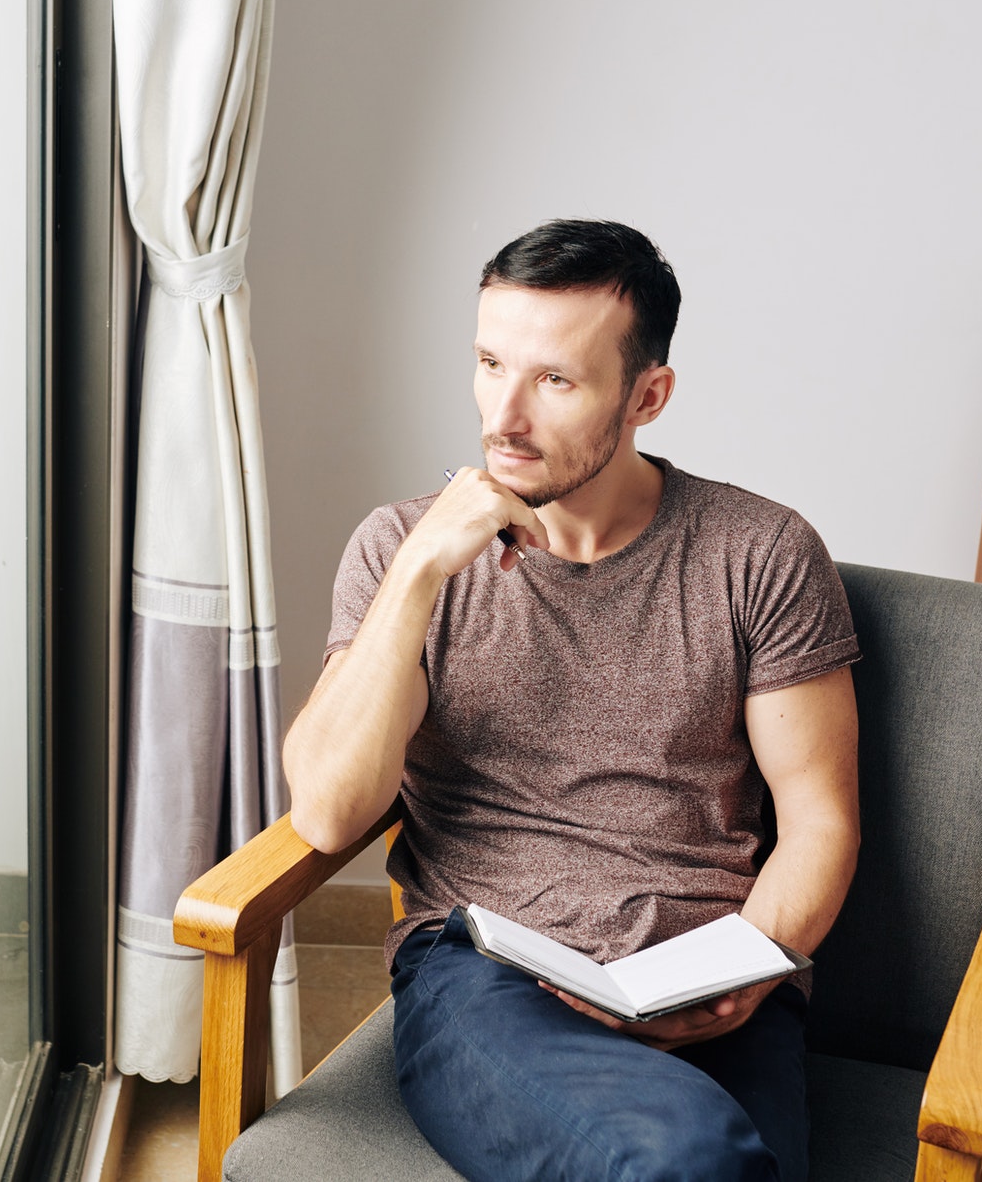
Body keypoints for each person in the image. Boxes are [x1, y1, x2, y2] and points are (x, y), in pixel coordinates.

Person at [282, 219, 862, 1182]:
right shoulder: (400, 549)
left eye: (554, 381)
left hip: (713, 980)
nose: (504, 416)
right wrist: (425, 566)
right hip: (488, 977)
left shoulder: (760, 553)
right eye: (489, 362)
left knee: (714, 1160)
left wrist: (756, 964)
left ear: (649, 395)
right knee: (692, 1159)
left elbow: (820, 819)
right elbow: (329, 808)